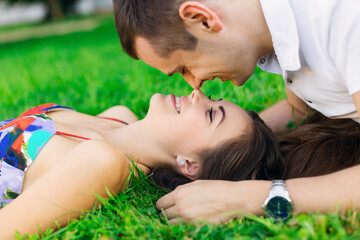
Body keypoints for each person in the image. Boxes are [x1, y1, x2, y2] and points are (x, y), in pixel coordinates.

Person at [113, 0, 360, 223]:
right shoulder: (284, 29)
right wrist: (230, 152)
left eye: (185, 67)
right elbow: (298, 108)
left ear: (202, 19)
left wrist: (247, 197)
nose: (195, 84)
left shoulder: (344, 20)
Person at [0, 90, 285, 238]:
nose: (199, 95)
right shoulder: (118, 117)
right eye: (214, 100)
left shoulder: (102, 162)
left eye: (211, 115)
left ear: (190, 165)